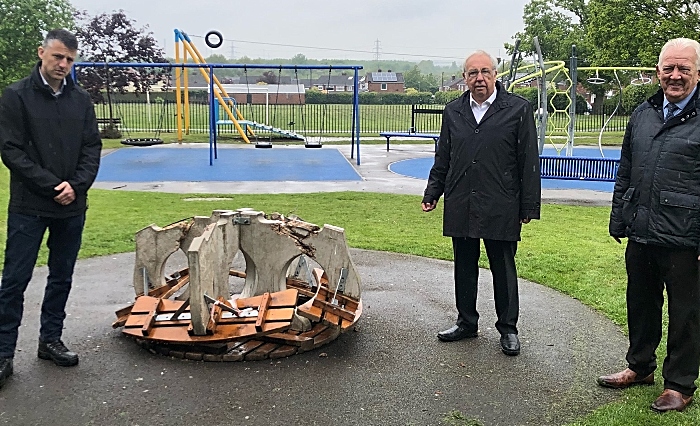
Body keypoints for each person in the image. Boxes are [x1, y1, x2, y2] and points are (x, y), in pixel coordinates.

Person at [598, 37, 700, 413]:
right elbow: (625, 170)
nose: (675, 75)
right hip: (641, 228)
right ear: (658, 72)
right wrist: (619, 218)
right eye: (668, 68)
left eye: (683, 69)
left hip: (685, 235)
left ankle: (679, 384)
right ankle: (640, 367)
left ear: (697, 73)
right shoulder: (644, 113)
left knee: (687, 313)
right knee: (640, 303)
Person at [0, 29, 102, 388]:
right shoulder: (16, 96)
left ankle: (50, 340)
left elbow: (92, 147)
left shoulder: (81, 99)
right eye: (58, 57)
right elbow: (11, 150)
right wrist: (50, 185)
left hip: (72, 206)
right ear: (42, 52)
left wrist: (76, 185)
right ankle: (3, 353)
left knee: (61, 276)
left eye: (70, 60)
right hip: (30, 205)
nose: (63, 65)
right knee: (15, 279)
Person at [422, 50, 540, 356]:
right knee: (464, 265)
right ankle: (466, 322)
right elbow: (443, 157)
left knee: (503, 267)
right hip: (462, 199)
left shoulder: (517, 109)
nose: (479, 78)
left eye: (485, 72)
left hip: (502, 202)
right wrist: (432, 192)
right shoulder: (453, 111)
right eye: (472, 73)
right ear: (464, 78)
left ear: (495, 75)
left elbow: (528, 160)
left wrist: (528, 207)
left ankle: (508, 329)